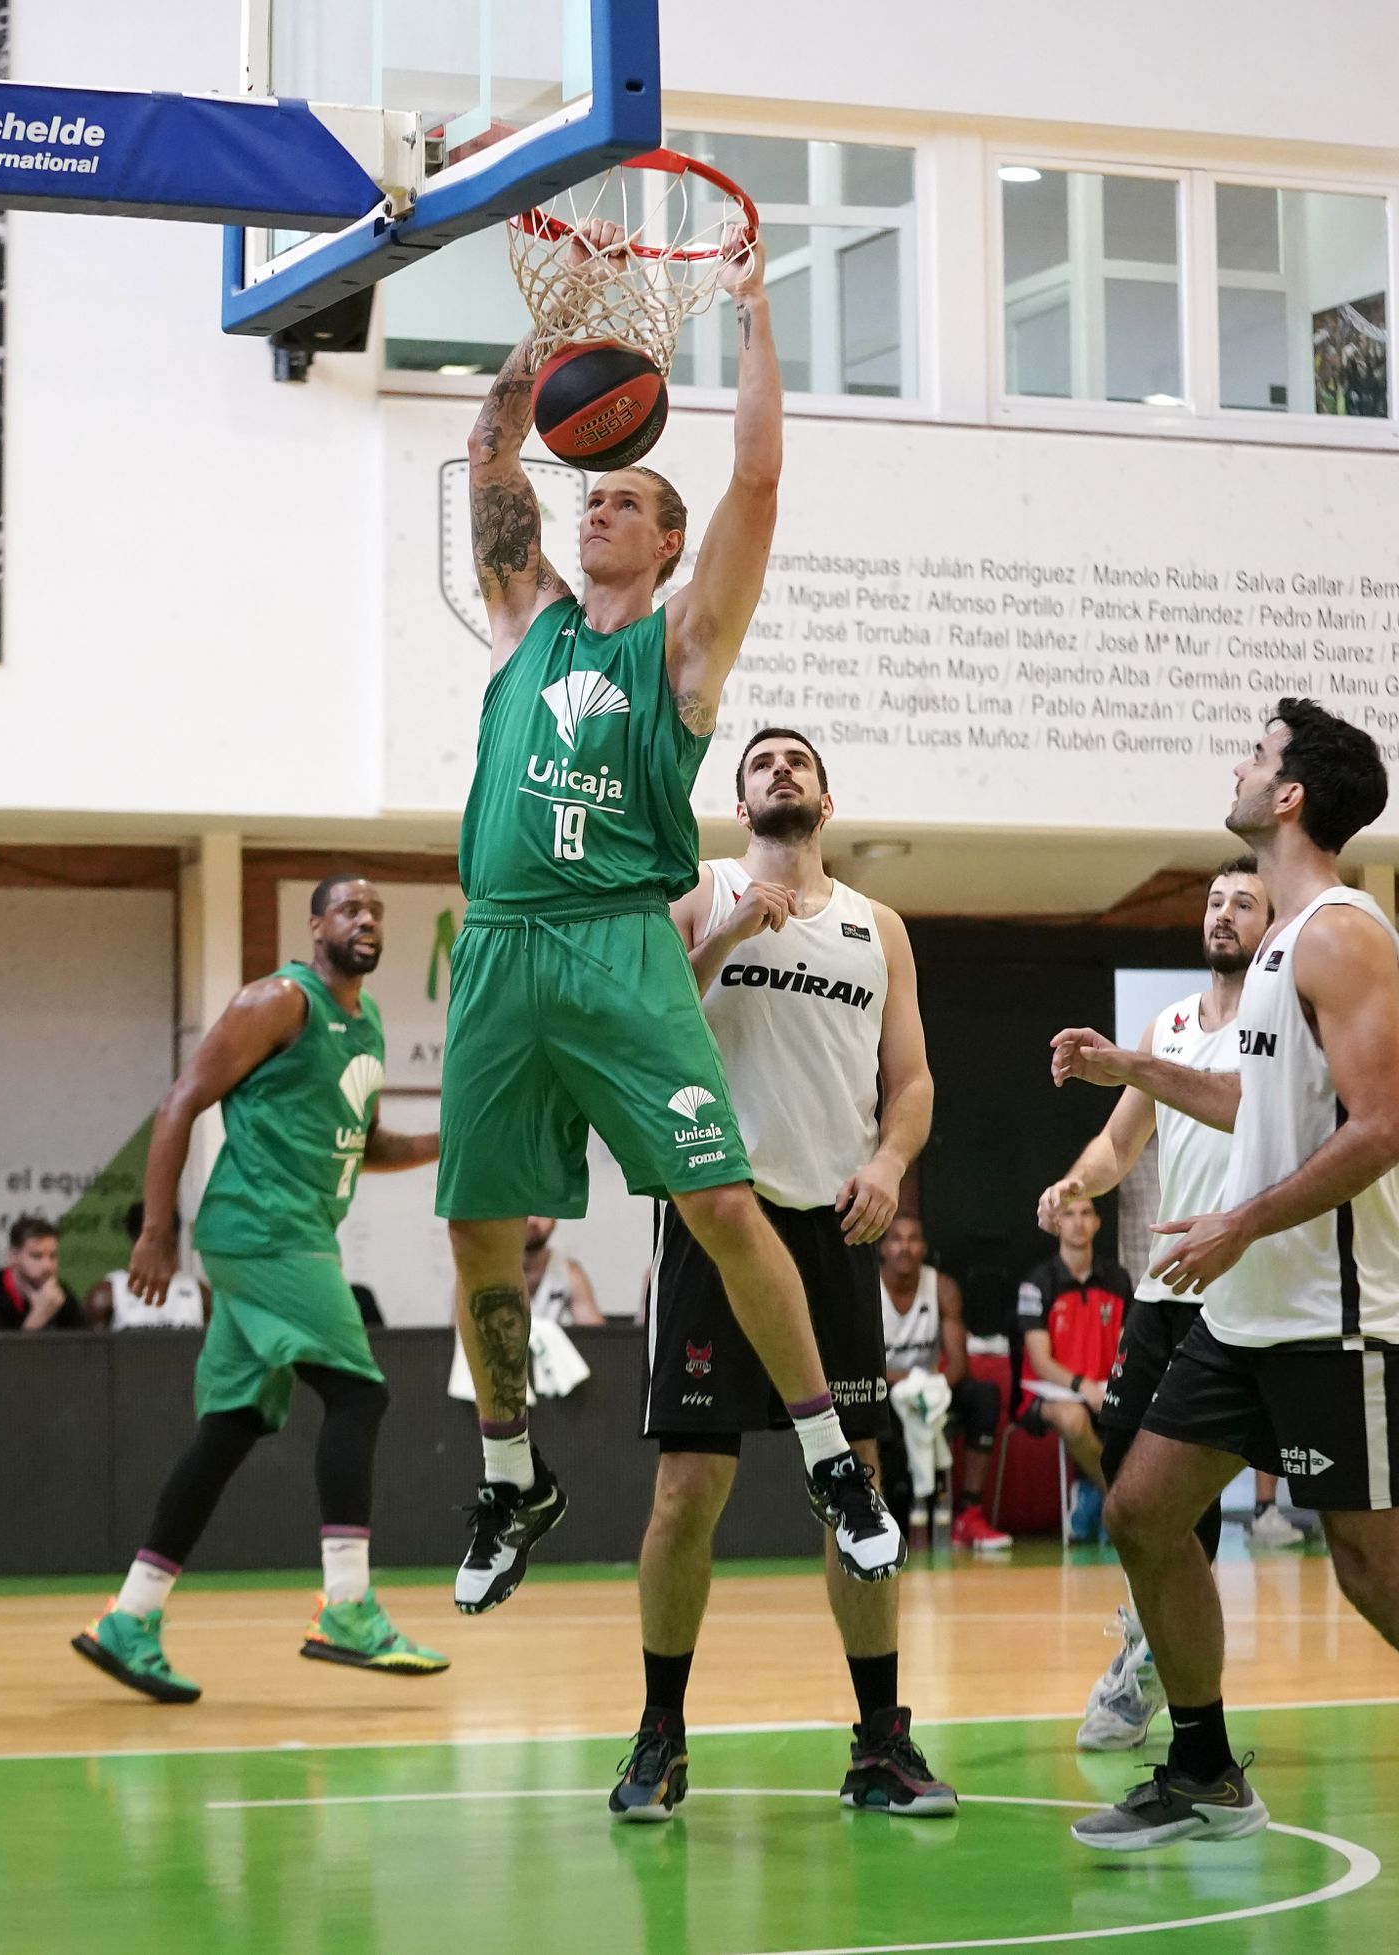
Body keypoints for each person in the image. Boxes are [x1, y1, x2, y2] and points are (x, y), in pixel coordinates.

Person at [440, 222, 899, 1617]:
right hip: (500, 945)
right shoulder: (527, 620)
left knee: (717, 1197)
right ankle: (512, 1470)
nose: (595, 515)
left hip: (623, 937)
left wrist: (753, 318)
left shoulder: (683, 647)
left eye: (626, 502)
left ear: (669, 537)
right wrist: (543, 359)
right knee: (476, 1226)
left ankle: (831, 1454)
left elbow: (757, 475)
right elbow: (490, 459)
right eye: (592, 501)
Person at [1055, 699, 1399, 1850]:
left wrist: (1241, 1222)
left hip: (1328, 1314)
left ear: (1291, 793)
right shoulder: (1273, 952)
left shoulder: (1345, 931)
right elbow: (1259, 1103)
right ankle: (1201, 1767)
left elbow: (1384, 1123)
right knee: (1146, 1510)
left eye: (1257, 753)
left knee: (1368, 1569)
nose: (1241, 766)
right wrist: (1135, 1066)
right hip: (1245, 1314)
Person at [614, 728, 942, 1822]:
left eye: (797, 761)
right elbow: (636, 1028)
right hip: (717, 1222)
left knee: (857, 1488)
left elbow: (911, 1081)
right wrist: (718, 939)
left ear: (826, 795)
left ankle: (879, 1742)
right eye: (762, 761)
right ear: (737, 794)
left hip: (831, 1231)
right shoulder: (694, 891)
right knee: (688, 1489)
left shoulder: (876, 925)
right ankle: (660, 1731)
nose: (781, 772)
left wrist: (891, 1163)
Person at [72, 876, 447, 1703]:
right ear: (316, 926)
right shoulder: (281, 1001)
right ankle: (348, 1607)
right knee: (358, 1394)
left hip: (292, 1230)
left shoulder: (368, 1022)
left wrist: (442, 1141)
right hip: (265, 1229)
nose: (367, 921)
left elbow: (364, 1141)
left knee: (232, 1425)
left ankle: (130, 1617)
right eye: (350, 909)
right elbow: (180, 1103)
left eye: (377, 911)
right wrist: (155, 1231)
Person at [1038, 856, 1268, 1748]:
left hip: (1244, 1290)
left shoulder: (1276, 1022)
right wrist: (1074, 1182)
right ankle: (1153, 1643)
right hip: (1164, 1290)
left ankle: (1155, 1659)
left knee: (1197, 1498)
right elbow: (1118, 1139)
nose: (1222, 913)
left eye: (1244, 903)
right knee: (1133, 1474)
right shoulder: (1169, 1024)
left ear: (1273, 924)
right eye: (1215, 900)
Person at [878, 1214, 1010, 1549]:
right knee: (861, 1403)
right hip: (886, 1390)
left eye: (913, 1239)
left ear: (923, 1247)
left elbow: (959, 1365)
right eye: (896, 1239)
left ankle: (969, 1512)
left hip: (933, 1389)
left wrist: (927, 1386)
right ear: (882, 1247)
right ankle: (876, 1514)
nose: (904, 1247)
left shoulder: (941, 1288)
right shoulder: (869, 1290)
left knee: (984, 1396)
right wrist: (911, 1382)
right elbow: (863, 1368)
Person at [1015, 1198, 1132, 1541]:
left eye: (1086, 1214)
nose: (1078, 1222)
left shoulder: (1117, 1278)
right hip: (1047, 1393)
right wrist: (1082, 1386)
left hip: (1103, 1390)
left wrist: (1113, 1386)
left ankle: (1091, 1494)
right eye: (1068, 1214)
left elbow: (1126, 1348)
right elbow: (1041, 1362)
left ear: (1097, 1223)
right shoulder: (1037, 1283)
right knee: (1073, 1418)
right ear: (1056, 1224)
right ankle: (1120, 1503)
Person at [85, 1203, 210, 1331]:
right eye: (150, 1238)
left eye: (166, 1236)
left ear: (175, 1237)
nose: (157, 1246)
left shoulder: (201, 1295)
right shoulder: (107, 1295)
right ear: (135, 1239)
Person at [0, 1216, 85, 1330]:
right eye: (36, 1256)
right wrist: (37, 1319)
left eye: (52, 1256)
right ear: (13, 1256)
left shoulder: (61, 1295)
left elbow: (82, 1352)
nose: (48, 1266)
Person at [523, 1217, 604, 1326]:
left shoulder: (569, 1272)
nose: (533, 1221)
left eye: (542, 1212)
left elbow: (595, 1334)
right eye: (525, 1212)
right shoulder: (492, 1270)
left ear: (555, 1220)